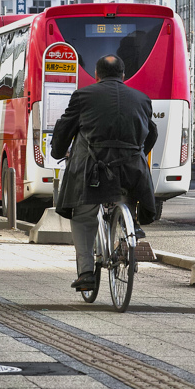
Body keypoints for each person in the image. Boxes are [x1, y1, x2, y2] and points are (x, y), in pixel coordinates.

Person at [50, 55, 157, 292]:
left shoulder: (83, 96)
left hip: (93, 173)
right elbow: (151, 135)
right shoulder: (142, 99)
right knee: (127, 200)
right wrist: (136, 155)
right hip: (131, 172)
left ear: (96, 76)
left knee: (83, 216)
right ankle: (130, 231)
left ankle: (86, 272)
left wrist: (58, 150)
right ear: (123, 75)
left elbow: (65, 130)